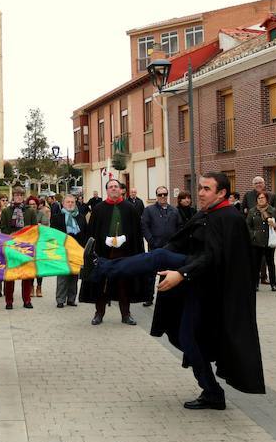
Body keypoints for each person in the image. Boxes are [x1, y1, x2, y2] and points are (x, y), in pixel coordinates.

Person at [83, 172, 265, 409]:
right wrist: (164, 263)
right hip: (197, 282)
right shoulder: (207, 213)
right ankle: (212, 392)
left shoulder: (230, 218)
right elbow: (181, 241)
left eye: (206, 189)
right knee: (186, 337)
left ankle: (100, 268)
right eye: (199, 187)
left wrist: (182, 273)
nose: (200, 192)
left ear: (222, 193)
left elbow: (214, 257)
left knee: (161, 261)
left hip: (213, 289)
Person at [79, 178, 144, 326]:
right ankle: (99, 313)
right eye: (111, 187)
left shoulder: (130, 208)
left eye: (116, 186)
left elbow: (136, 232)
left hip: (124, 253)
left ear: (121, 190)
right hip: (103, 254)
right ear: (107, 190)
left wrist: (124, 238)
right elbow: (92, 232)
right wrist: (104, 240)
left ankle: (126, 314)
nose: (114, 188)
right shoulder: (99, 209)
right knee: (102, 285)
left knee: (124, 284)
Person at [141, 186, 182, 306]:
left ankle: (165, 297)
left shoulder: (174, 210)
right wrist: (151, 240)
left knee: (167, 273)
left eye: (165, 194)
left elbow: (180, 226)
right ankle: (149, 297)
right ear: (156, 196)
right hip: (155, 246)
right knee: (151, 273)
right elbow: (144, 226)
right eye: (160, 195)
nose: (163, 197)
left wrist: (176, 241)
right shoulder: (149, 210)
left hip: (170, 248)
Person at [0, 187, 37, 309]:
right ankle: (9, 301)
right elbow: (3, 227)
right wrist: (10, 236)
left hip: (26, 246)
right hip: (11, 245)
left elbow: (34, 228)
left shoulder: (30, 211)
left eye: (21, 195)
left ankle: (27, 300)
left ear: (23, 197)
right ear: (13, 196)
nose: (18, 197)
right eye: (16, 195)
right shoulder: (6, 211)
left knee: (26, 275)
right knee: (10, 275)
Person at [50, 193, 87, 307]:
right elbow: (54, 234)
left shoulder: (80, 217)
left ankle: (71, 299)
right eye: (68, 202)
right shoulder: (57, 217)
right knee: (62, 275)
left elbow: (85, 233)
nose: (70, 204)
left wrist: (83, 248)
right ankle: (60, 300)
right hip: (62, 249)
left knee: (74, 275)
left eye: (72, 202)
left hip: (76, 250)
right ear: (63, 204)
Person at [247, 192, 276, 291]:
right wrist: (253, 234)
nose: (261, 199)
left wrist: (274, 224)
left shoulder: (272, 210)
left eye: (263, 198)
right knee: (256, 264)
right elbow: (247, 225)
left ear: (266, 199)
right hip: (256, 242)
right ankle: (255, 284)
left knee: (270, 263)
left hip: (269, 241)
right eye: (259, 198)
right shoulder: (252, 211)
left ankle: (273, 284)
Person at [27, 195, 50, 297]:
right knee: (31, 266)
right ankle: (31, 287)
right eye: (30, 204)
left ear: (37, 205)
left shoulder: (41, 213)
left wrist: (39, 226)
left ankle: (39, 287)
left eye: (34, 204)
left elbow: (46, 225)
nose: (32, 206)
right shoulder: (25, 214)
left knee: (39, 266)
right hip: (29, 243)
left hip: (40, 242)